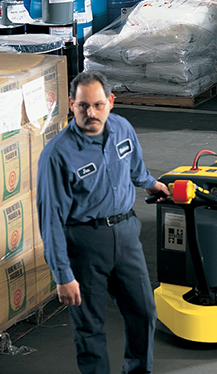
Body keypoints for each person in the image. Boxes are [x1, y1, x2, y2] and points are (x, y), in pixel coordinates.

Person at [36, 71, 170, 374]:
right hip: (84, 244)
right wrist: (62, 275)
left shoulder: (122, 128)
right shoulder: (57, 155)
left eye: (98, 104)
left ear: (110, 102)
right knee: (89, 327)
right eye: (83, 106)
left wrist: (150, 183)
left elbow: (135, 168)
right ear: (71, 104)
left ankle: (138, 371)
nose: (91, 113)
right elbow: (51, 221)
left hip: (126, 236)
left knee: (143, 312)